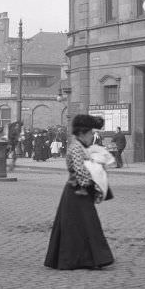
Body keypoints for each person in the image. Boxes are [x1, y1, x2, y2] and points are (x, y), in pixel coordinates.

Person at [44, 114, 114, 271]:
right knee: (80, 226)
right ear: (82, 133)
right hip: (77, 191)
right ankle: (79, 258)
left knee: (83, 225)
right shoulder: (76, 148)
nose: (92, 136)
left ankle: (87, 258)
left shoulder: (82, 147)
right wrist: (94, 183)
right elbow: (80, 170)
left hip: (79, 191)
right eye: (90, 133)